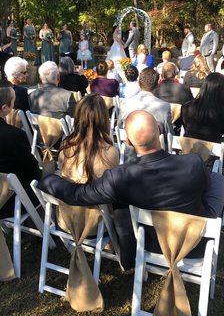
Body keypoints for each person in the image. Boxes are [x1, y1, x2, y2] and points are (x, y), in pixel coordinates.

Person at [38, 110, 224, 266]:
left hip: (147, 244)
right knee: (217, 179)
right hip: (196, 244)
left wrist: (48, 179)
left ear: (127, 141)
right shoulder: (194, 162)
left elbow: (77, 195)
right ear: (159, 130)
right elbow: (206, 190)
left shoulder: (119, 177)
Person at [0, 81, 41, 217]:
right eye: (13, 102)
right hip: (11, 200)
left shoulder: (13, 134)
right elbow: (32, 170)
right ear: (5, 108)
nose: (15, 105)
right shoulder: (14, 135)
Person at [119, 67, 173, 136]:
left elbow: (120, 126)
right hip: (155, 145)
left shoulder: (126, 103)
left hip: (130, 143)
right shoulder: (164, 106)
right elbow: (169, 134)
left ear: (138, 83)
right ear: (157, 86)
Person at [181, 73, 224, 143]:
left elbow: (186, 127)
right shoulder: (221, 112)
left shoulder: (186, 107)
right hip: (213, 152)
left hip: (187, 149)